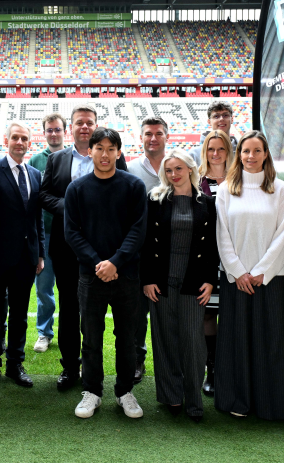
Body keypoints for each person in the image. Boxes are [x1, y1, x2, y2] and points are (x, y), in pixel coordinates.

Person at [40, 104, 128, 391]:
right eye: (79, 122)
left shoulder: (114, 156)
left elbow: (122, 195)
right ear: (72, 128)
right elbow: (44, 194)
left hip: (105, 249)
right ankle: (69, 367)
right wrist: (69, 206)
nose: (84, 127)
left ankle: (112, 371)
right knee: (68, 306)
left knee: (104, 310)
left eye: (89, 122)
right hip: (67, 247)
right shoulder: (57, 159)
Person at [65, 127, 147, 419]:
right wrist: (98, 263)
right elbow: (72, 233)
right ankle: (92, 391)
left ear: (119, 152)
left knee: (127, 337)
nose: (104, 154)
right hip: (91, 276)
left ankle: (125, 391)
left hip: (126, 275)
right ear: (89, 151)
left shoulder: (134, 187)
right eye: (99, 148)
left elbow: (138, 230)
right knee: (91, 338)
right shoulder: (76, 188)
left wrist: (116, 262)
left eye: (110, 149)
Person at [214, 130, 284, 421]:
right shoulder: (226, 189)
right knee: (235, 339)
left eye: (257, 151)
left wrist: (261, 272)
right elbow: (222, 235)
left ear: (266, 154)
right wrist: (238, 272)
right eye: (246, 151)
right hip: (235, 278)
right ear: (239, 154)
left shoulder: (280, 189)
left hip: (270, 278)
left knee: (269, 340)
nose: (251, 156)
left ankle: (268, 403)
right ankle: (237, 399)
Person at [141, 149, 218, 422]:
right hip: (161, 283)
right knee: (165, 341)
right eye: (169, 170)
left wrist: (210, 280)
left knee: (193, 342)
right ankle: (171, 396)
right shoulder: (156, 200)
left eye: (179, 169)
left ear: (190, 169)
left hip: (193, 284)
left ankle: (194, 398)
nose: (174, 175)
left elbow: (212, 247)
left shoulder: (207, 203)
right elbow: (147, 243)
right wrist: (148, 279)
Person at [0, 122, 45, 387]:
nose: (20, 142)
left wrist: (39, 252)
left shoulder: (35, 174)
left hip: (26, 257)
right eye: (15, 138)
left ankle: (15, 363)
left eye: (25, 139)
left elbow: (36, 217)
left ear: (29, 143)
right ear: (6, 141)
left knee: (19, 313)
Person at [126, 115, 168, 384]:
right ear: (140, 137)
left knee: (168, 313)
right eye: (148, 134)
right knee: (138, 314)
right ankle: (137, 359)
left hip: (171, 252)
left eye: (158, 133)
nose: (153, 138)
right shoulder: (130, 169)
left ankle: (170, 362)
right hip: (140, 253)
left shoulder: (177, 165)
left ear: (166, 136)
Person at [197, 129, 233, 397]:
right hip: (206, 258)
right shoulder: (196, 180)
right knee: (208, 314)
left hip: (235, 258)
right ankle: (212, 370)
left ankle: (232, 370)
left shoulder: (239, 179)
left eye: (221, 149)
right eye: (211, 149)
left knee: (232, 315)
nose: (216, 154)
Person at [27, 113, 66, 353]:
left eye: (57, 129)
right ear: (45, 133)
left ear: (65, 131)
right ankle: (44, 332)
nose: (53, 133)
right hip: (43, 234)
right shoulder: (35, 161)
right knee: (43, 287)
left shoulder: (71, 158)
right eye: (49, 130)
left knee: (70, 287)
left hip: (67, 234)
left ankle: (70, 331)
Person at [190, 100, 238, 167]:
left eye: (225, 115)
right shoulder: (194, 155)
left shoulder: (242, 151)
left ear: (232, 119)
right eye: (216, 116)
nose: (221, 119)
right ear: (209, 121)